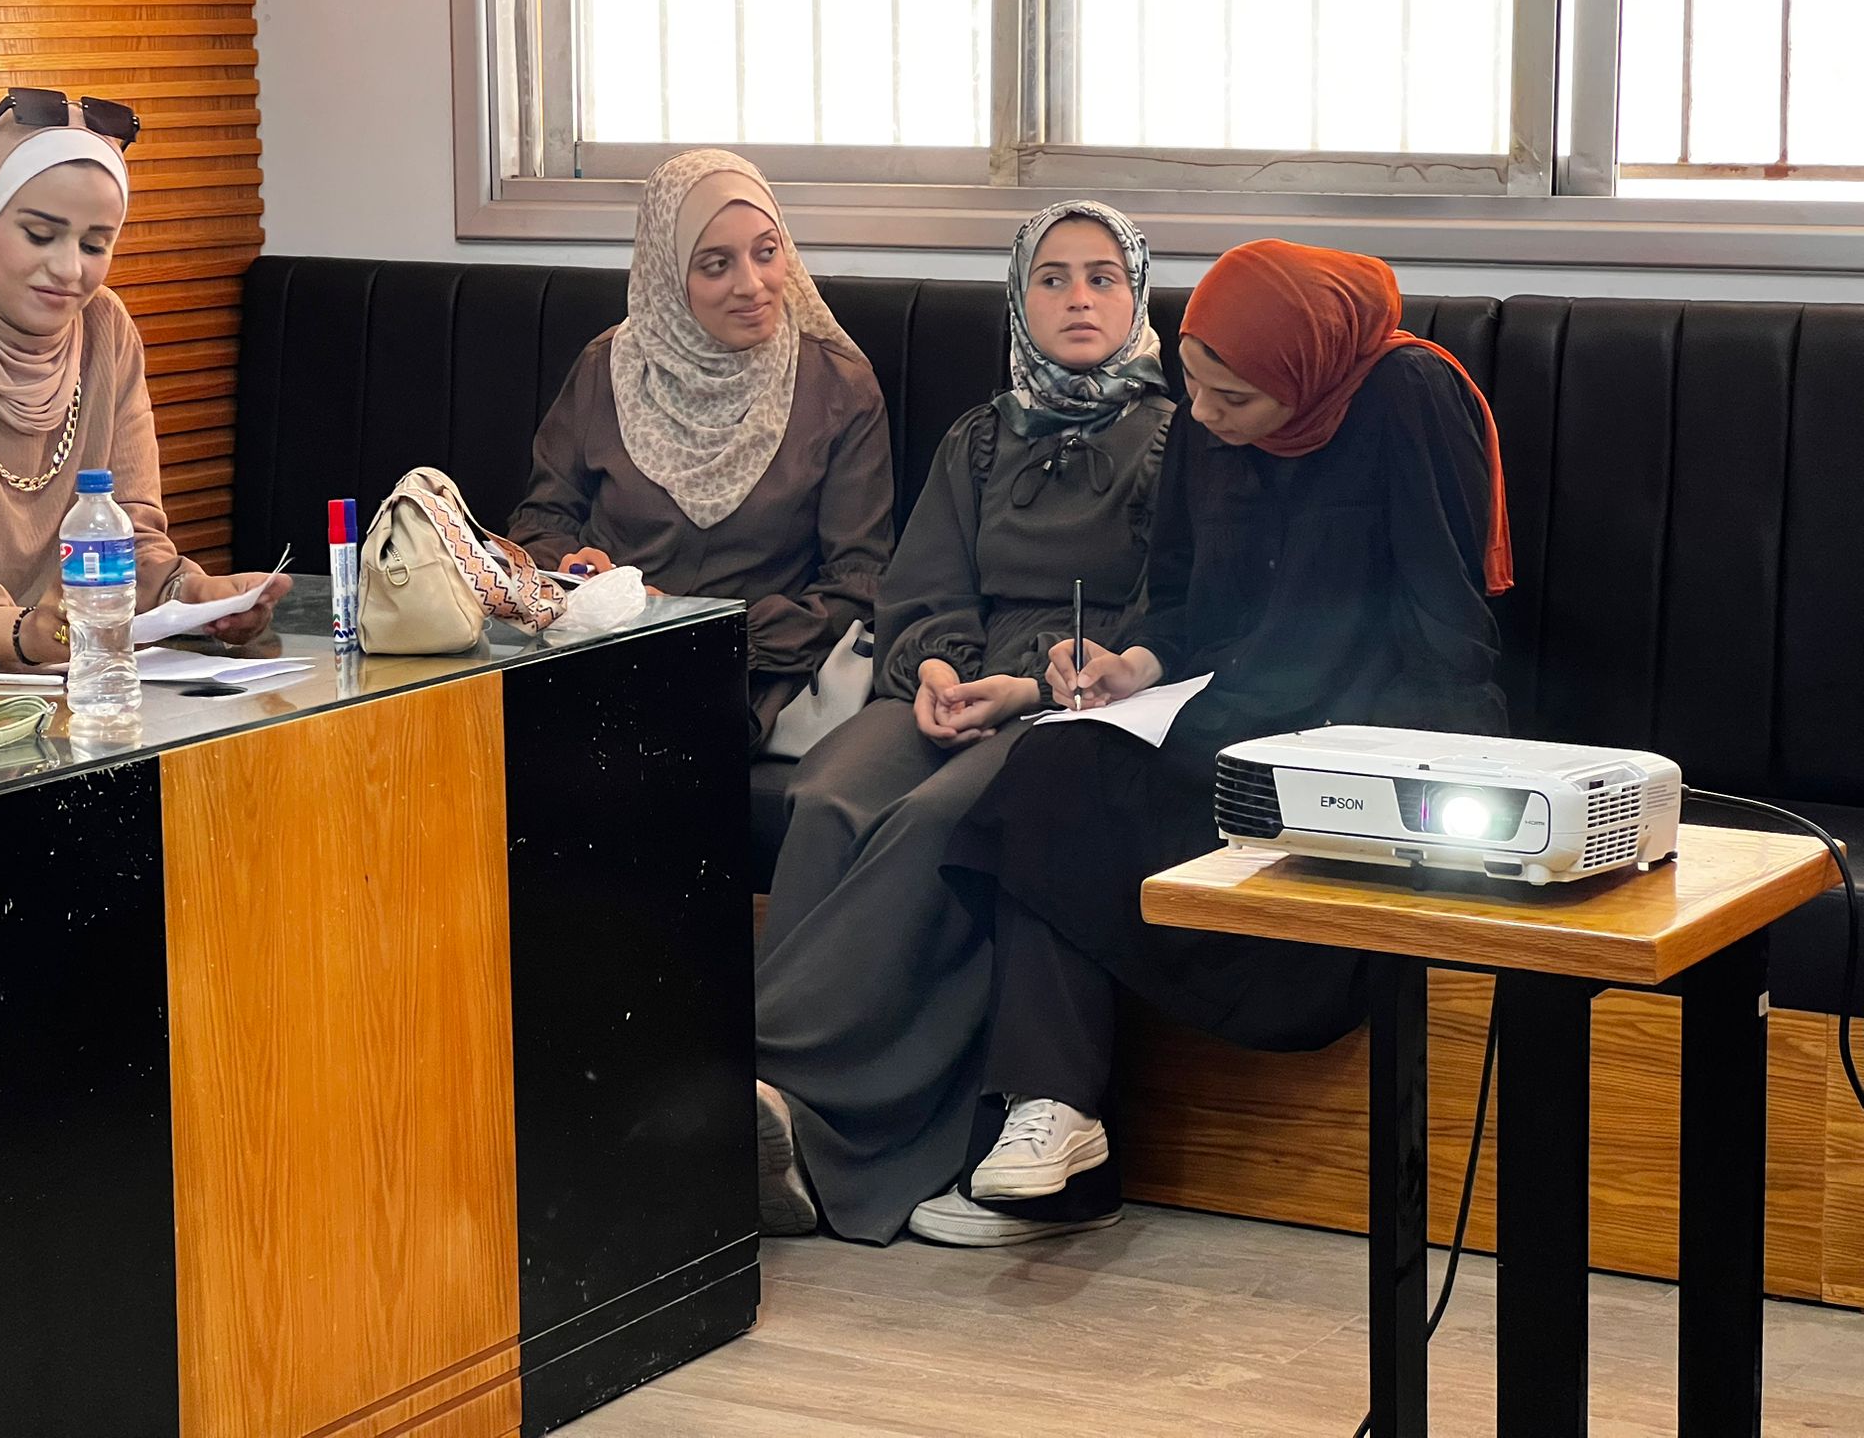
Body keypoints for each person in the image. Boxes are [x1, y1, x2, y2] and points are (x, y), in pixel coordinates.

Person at [925, 238, 1514, 1246]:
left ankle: (1064, 1142)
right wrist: (1131, 665)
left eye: (1231, 398)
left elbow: (1448, 626)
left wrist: (1414, 780)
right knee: (1052, 769)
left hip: (1368, 736)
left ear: (1304, 371)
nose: (1201, 415)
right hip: (1231, 715)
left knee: (1229, 821)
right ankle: (1055, 1115)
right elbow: (1182, 600)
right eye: (1192, 386)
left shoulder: (1408, 396)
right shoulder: (1205, 411)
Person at [753, 200, 1175, 1246]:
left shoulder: (1174, 442)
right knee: (827, 791)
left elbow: (1165, 613)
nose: (1078, 299)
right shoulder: (981, 437)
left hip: (1076, 698)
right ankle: (789, 1128)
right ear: (1019, 300)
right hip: (954, 682)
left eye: (1102, 278)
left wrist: (1027, 688)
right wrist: (936, 666)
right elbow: (922, 587)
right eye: (1051, 278)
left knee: (938, 820)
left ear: (1136, 296)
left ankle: (768, 1086)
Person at [0, 93, 289, 664]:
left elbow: (130, 539)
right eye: (40, 235)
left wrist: (189, 595)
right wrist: (25, 635)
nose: (70, 270)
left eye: (95, 244)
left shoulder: (104, 326)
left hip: (85, 675)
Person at [507, 149, 893, 745]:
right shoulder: (608, 368)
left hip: (748, 672)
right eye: (716, 265)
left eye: (767, 252)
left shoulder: (838, 386)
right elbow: (542, 522)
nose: (753, 285)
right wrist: (579, 576)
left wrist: (707, 631)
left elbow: (858, 581)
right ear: (668, 274)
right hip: (600, 648)